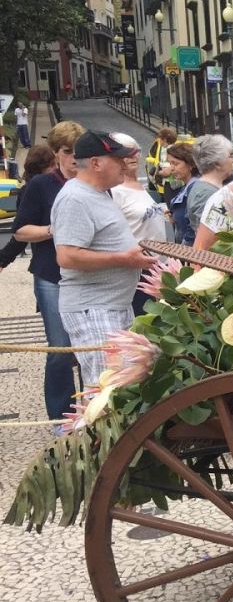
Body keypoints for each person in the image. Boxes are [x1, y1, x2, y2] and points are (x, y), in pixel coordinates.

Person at [52, 131, 158, 389]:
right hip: (94, 308)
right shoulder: (75, 197)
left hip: (112, 305)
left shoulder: (99, 192)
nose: (125, 164)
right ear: (96, 163)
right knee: (107, 389)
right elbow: (66, 256)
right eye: (117, 159)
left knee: (121, 386)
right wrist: (125, 259)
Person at [12, 120, 84, 424]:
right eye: (68, 152)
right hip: (51, 275)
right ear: (56, 153)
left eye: (78, 152)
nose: (74, 158)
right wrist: (54, 229)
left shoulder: (90, 182)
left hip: (86, 275)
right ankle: (61, 417)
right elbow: (20, 231)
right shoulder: (41, 185)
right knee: (59, 349)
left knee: (88, 348)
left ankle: (92, 410)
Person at [109, 133, 170, 314]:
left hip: (159, 265)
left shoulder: (139, 186)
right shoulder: (115, 191)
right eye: (125, 152)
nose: (133, 156)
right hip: (138, 270)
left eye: (135, 151)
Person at [0, 145, 57, 271]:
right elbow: (22, 232)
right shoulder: (30, 191)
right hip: (45, 264)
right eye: (53, 165)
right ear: (41, 168)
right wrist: (3, 259)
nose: (56, 168)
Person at [187, 134, 233, 248]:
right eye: (230, 156)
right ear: (217, 163)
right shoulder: (206, 193)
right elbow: (206, 236)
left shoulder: (209, 188)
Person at [165, 142, 200, 245]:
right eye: (170, 163)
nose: (171, 168)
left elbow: (193, 226)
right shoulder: (187, 185)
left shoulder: (195, 187)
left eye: (175, 163)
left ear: (190, 164)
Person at [145, 127, 177, 202]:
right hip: (173, 183)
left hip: (170, 183)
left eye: (160, 138)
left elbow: (167, 168)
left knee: (170, 204)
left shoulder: (169, 150)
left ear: (164, 139)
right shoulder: (172, 148)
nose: (159, 141)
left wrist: (158, 172)